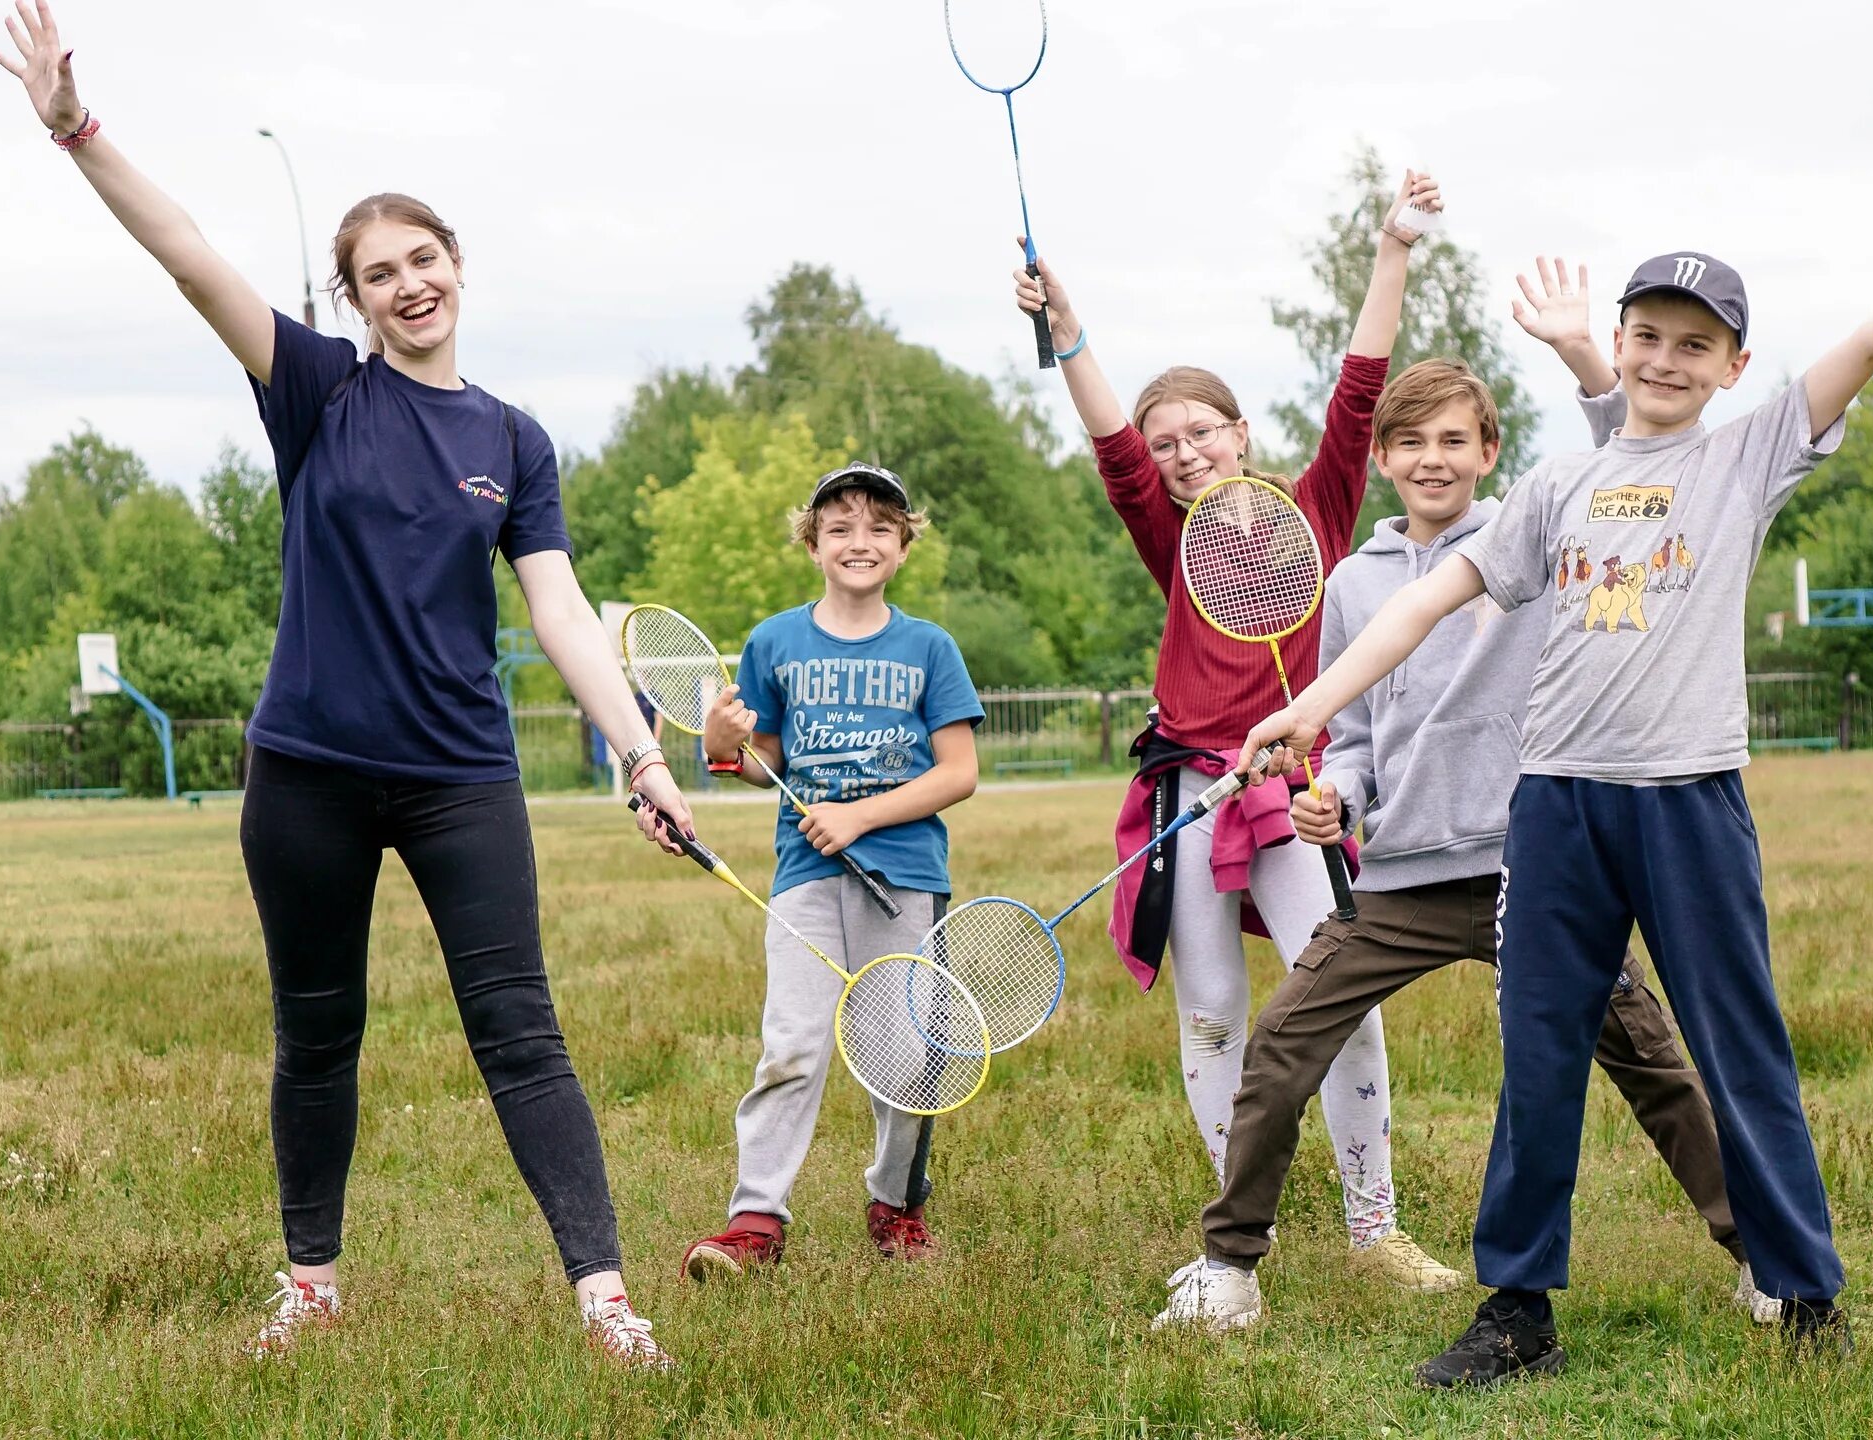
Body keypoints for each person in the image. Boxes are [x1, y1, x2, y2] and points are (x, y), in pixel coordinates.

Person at [1244, 146, 1873, 1385]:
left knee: (1735, 1046)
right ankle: (1517, 1313)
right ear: (1622, 338)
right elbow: (1421, 605)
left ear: (1734, 369)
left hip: (1688, 805)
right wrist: (1309, 707)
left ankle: (1804, 1292)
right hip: (1554, 809)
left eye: (1694, 344)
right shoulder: (1559, 482)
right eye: (1646, 335)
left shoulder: (1744, 455)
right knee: (1538, 1054)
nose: (1665, 359)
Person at [0, 0, 696, 1366]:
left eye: (424, 259)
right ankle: (311, 1285)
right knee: (318, 1039)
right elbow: (191, 258)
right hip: (307, 774)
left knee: (522, 1033)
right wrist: (79, 130)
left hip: (460, 779)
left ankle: (607, 1299)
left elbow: (555, 606)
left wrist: (642, 755)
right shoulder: (316, 391)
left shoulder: (513, 438)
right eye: (379, 273)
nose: (408, 285)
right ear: (353, 299)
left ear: (457, 268)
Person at [1155, 350, 1776, 1335]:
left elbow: (1626, 468)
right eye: (1409, 443)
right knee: (1282, 1043)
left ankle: (1760, 1257)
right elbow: (1352, 738)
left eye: (1453, 440)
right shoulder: (1353, 583)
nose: (1431, 460)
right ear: (1385, 457)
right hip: (1399, 880)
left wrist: (1582, 352)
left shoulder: (1536, 535)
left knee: (1648, 1059)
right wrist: (1339, 803)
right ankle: (1228, 1267)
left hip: (1532, 867)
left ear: (1489, 452)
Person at [1010, 172, 1462, 1290]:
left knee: (1338, 1003)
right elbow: (1110, 441)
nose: (1178, 451)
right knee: (1212, 1017)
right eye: (1166, 442)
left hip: (1292, 790)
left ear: (1239, 431)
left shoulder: (1316, 507)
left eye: (1198, 430)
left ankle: (1375, 1232)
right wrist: (1069, 338)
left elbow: (1360, 385)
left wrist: (1392, 249)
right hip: (1186, 791)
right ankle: (1232, 1239)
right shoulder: (1170, 535)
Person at [660, 463, 983, 1278]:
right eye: (839, 527)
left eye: (879, 526)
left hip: (905, 873)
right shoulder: (775, 642)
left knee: (903, 1053)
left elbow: (958, 772)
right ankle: (756, 1220)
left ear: (905, 545)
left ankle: (894, 1204)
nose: (859, 541)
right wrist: (720, 744)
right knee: (792, 1044)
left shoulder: (928, 647)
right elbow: (756, 758)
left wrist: (861, 816)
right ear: (813, 544)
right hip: (805, 875)